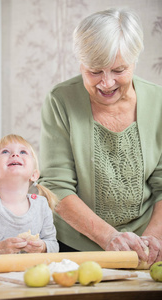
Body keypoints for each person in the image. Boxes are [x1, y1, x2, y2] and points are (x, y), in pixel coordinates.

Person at [39, 8, 162, 266]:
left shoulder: (158, 102)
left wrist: (150, 241)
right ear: (81, 64)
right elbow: (56, 186)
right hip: (76, 247)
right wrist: (108, 237)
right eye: (94, 71)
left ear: (134, 61)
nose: (106, 83)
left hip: (149, 245)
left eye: (118, 70)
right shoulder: (60, 100)